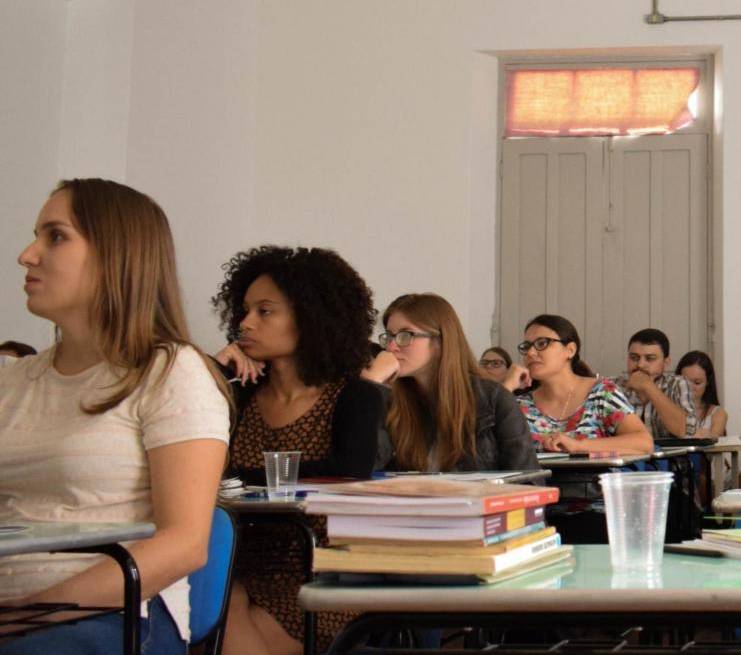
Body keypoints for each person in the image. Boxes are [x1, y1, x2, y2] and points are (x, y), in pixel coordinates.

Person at [0, 179, 230, 655]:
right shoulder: (13, 381)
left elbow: (185, 544)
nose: (27, 255)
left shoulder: (170, 372)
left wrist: (27, 613)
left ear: (115, 255)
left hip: (117, 617)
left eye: (55, 236)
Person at [210, 244, 383, 655]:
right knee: (209, 606)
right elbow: (197, 471)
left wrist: (238, 480)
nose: (245, 323)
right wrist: (212, 371)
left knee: (212, 625)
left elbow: (347, 473)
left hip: (321, 568)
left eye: (264, 311)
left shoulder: (355, 396)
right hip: (237, 563)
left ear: (310, 318)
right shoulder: (237, 396)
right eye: (245, 311)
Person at [379, 293, 538, 473]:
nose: (391, 347)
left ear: (440, 341)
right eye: (389, 336)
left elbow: (528, 480)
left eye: (405, 335)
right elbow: (364, 469)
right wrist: (371, 385)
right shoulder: (391, 402)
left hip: (481, 493)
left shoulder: (493, 399)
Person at [515, 314, 654, 455]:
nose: (530, 353)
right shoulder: (520, 406)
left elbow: (643, 443)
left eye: (541, 343)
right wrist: (506, 386)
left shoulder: (601, 393)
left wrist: (578, 445)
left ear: (570, 350)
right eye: (526, 347)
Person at [621, 327, 694, 438]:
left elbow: (686, 431)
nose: (640, 365)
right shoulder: (612, 386)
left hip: (670, 450)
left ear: (666, 362)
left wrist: (648, 386)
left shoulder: (677, 384)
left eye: (650, 358)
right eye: (634, 358)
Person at [674, 350, 727, 436]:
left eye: (697, 382)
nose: (690, 388)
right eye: (684, 382)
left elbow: (713, 439)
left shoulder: (717, 413)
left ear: (707, 382)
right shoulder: (669, 408)